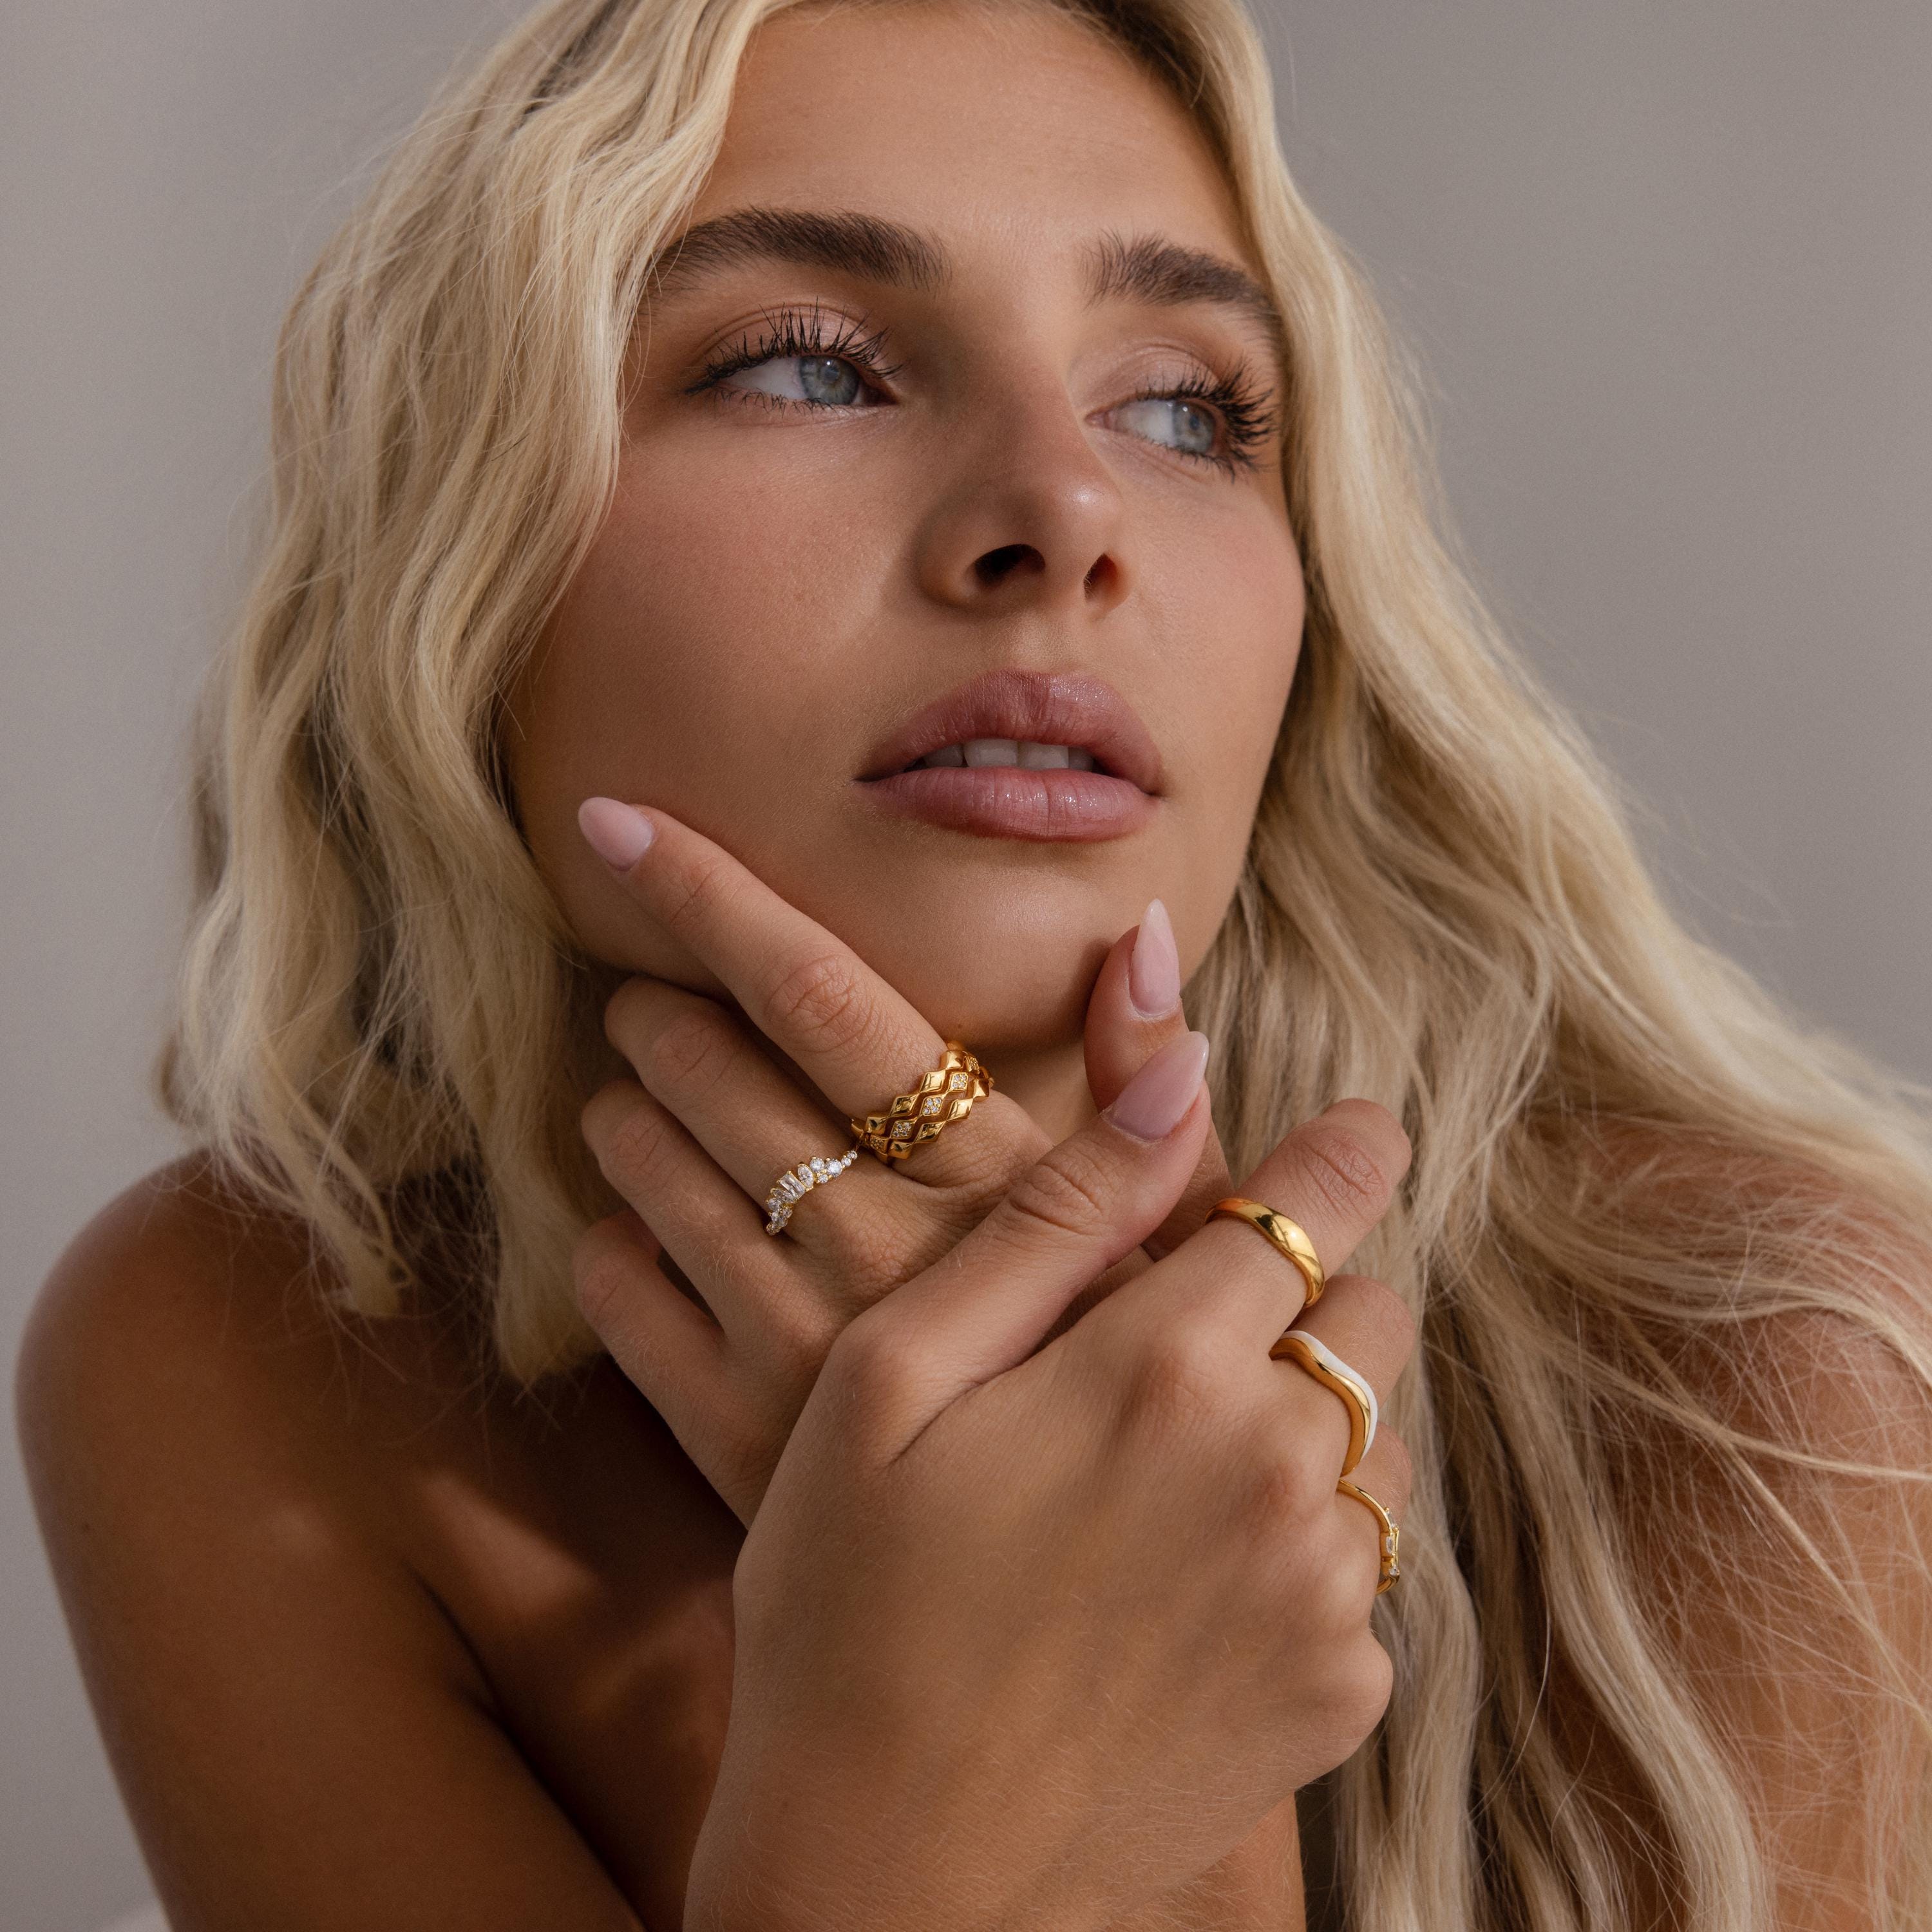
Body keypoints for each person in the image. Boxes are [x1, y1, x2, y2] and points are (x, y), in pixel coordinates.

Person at [16, 0, 1932, 1925]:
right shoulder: (255, 1359)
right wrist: (946, 1791)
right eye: (806, 368)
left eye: (1184, 411)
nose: (1066, 513)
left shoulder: (1765, 1387)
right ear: (465, 560)